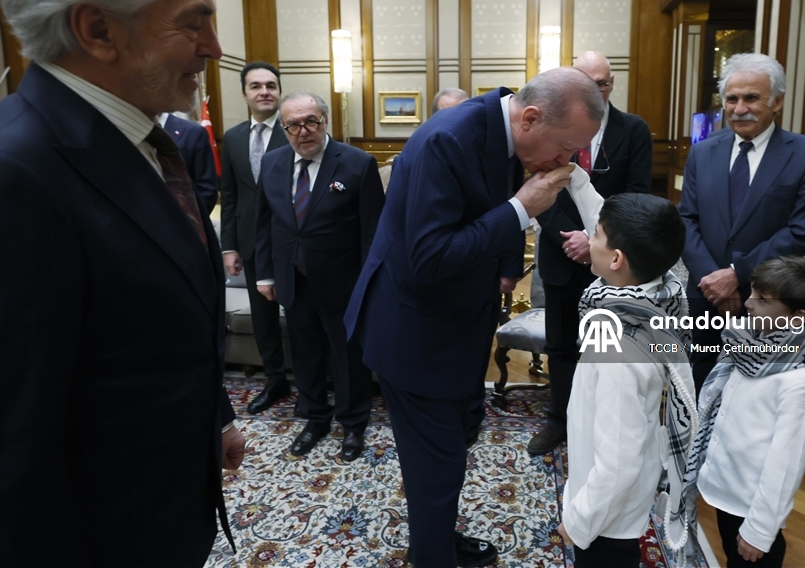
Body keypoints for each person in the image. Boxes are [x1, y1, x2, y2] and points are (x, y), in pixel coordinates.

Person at [0, 0, 243, 566]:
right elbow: (3, 455)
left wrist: (213, 417)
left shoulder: (141, 139)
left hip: (165, 515)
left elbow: (146, 329)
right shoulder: (9, 175)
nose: (214, 47)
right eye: (195, 22)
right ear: (98, 30)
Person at [344, 67, 603, 567]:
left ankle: (437, 538)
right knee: (435, 462)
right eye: (565, 148)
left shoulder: (506, 133)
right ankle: (433, 556)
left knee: (446, 456)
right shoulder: (445, 141)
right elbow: (429, 258)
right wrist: (520, 209)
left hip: (456, 325)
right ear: (530, 117)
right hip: (414, 333)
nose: (566, 162)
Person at [557, 193, 696, 567]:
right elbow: (611, 222)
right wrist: (576, 180)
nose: (590, 239)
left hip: (606, 515)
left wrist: (579, 520)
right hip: (618, 496)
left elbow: (618, 463)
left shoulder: (617, 350)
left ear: (616, 259)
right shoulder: (658, 293)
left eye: (596, 235)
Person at [678, 53, 805, 391]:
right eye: (731, 99)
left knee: (756, 388)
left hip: (769, 299)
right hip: (705, 295)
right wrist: (712, 280)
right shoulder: (703, 152)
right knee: (699, 378)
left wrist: (737, 274)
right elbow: (686, 219)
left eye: (751, 98)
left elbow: (800, 231)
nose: (739, 108)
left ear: (777, 101)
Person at [528, 49, 652, 456]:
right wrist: (572, 238)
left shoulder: (633, 130)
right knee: (561, 347)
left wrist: (595, 239)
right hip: (561, 256)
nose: (596, 90)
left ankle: (601, 423)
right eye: (586, 82)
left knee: (607, 349)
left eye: (602, 83)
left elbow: (636, 195)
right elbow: (539, 190)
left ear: (611, 85)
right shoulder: (551, 127)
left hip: (613, 264)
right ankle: (559, 420)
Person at [685, 256, 805, 568]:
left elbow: (786, 465)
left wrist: (760, 530)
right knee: (731, 551)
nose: (748, 303)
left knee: (749, 558)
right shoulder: (746, 345)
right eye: (753, 292)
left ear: (797, 318)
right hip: (726, 486)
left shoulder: (799, 382)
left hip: (751, 504)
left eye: (763, 299)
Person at [254, 92, 383, 461]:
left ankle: (353, 424)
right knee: (305, 353)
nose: (303, 131)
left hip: (344, 283)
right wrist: (265, 274)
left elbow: (373, 232)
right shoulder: (272, 162)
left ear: (325, 121)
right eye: (293, 125)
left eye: (311, 121)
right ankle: (315, 419)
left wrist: (369, 284)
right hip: (292, 279)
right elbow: (264, 223)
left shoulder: (357, 163)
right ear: (284, 129)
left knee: (348, 357)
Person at [221, 61, 291, 413]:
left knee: (302, 317)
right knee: (264, 321)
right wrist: (229, 247)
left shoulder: (295, 130)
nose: (264, 91)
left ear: (279, 92)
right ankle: (275, 381)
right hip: (251, 244)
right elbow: (230, 195)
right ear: (244, 94)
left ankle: (312, 384)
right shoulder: (232, 137)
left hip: (292, 240)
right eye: (256, 86)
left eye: (271, 85)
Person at [160, 111, 219, 215]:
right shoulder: (131, 133)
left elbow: (207, 189)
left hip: (183, 218)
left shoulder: (193, 132)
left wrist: (193, 220)